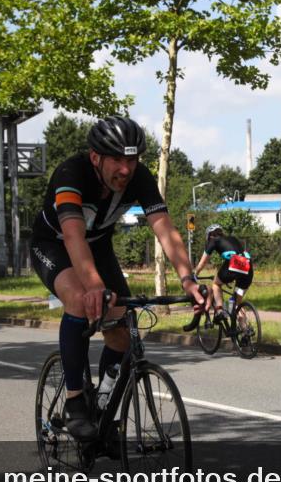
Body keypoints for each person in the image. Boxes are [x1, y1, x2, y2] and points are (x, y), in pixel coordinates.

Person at [29, 116, 203, 441]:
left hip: (98, 248)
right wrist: (94, 286)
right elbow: (73, 234)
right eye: (117, 160)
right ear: (96, 157)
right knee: (81, 301)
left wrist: (188, 279)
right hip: (55, 245)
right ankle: (75, 400)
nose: (126, 169)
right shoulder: (71, 173)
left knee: (123, 332)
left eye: (132, 159)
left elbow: (164, 227)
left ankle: (104, 404)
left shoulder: (140, 178)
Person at [192, 224, 253, 324]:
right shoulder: (232, 238)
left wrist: (195, 274)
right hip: (248, 265)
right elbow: (240, 253)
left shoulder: (213, 240)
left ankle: (219, 310)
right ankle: (245, 331)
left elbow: (203, 262)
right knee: (237, 304)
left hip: (234, 263)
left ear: (209, 235)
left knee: (216, 284)